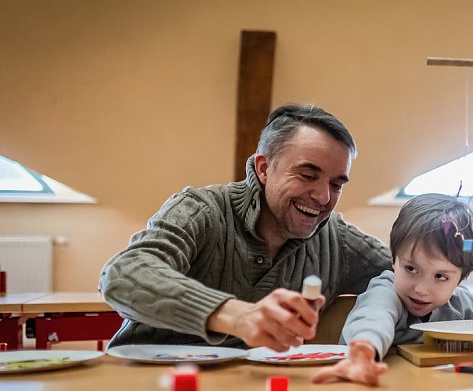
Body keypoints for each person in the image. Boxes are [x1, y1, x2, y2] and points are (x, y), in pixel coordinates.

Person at [100, 104, 392, 350]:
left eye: (336, 184)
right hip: (155, 388)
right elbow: (123, 275)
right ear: (264, 169)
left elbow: (408, 275)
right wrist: (236, 316)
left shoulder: (336, 240)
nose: (323, 197)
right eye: (306, 175)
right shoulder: (200, 210)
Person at [312, 193, 473, 387]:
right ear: (394, 260)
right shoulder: (386, 289)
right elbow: (374, 316)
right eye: (411, 269)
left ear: (460, 278)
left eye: (441, 277)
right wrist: (364, 350)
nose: (422, 289)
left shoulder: (460, 302)